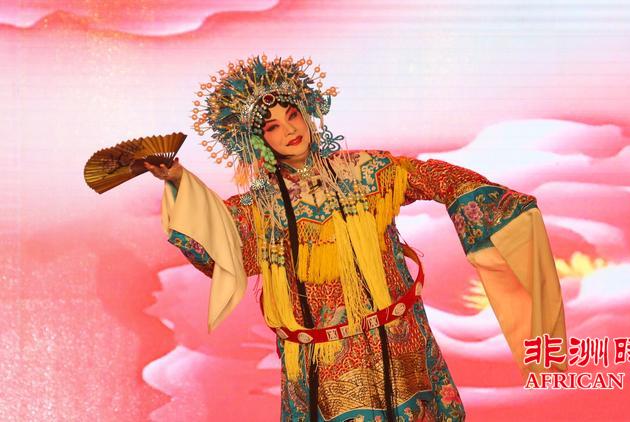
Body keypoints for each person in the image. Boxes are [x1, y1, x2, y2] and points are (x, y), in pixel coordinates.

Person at [145, 55, 568, 421]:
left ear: (308, 113)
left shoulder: (365, 172)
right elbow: (214, 246)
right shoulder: (259, 208)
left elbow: (431, 176)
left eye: (293, 115)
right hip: (326, 363)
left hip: (399, 341)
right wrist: (180, 183)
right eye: (273, 126)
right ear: (258, 141)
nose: (290, 130)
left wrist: (495, 204)